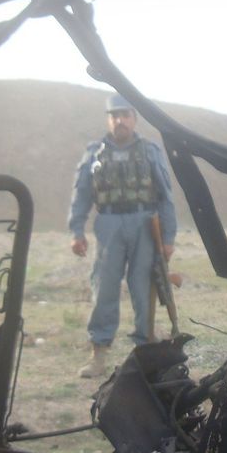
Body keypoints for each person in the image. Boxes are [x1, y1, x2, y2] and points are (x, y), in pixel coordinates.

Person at [69, 93, 177, 379]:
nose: (120, 121)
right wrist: (76, 230)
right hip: (108, 223)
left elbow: (166, 196)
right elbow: (81, 194)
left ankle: (144, 352)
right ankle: (99, 355)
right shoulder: (94, 153)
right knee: (104, 287)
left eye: (125, 115)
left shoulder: (150, 151)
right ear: (109, 119)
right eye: (114, 115)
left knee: (143, 288)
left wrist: (168, 238)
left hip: (145, 222)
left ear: (134, 118)